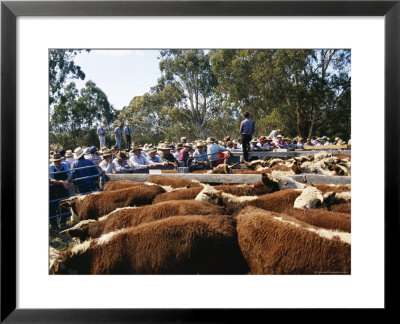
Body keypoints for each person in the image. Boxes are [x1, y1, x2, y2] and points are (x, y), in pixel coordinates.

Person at [49, 153, 72, 228]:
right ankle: (54, 224)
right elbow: (50, 180)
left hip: (63, 188)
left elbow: (70, 175)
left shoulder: (64, 165)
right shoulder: (51, 167)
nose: (57, 163)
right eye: (55, 161)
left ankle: (63, 222)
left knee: (64, 204)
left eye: (58, 161)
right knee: (53, 206)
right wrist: (62, 182)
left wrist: (67, 182)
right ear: (53, 161)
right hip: (53, 189)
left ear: (61, 160)